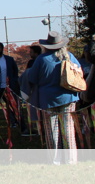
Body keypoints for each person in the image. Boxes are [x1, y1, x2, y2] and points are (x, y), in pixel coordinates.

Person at [23, 31, 81, 164]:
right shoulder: (69, 56)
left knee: (52, 130)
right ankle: (71, 160)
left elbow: (32, 78)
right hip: (68, 97)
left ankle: (55, 160)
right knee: (68, 129)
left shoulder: (42, 59)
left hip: (48, 99)